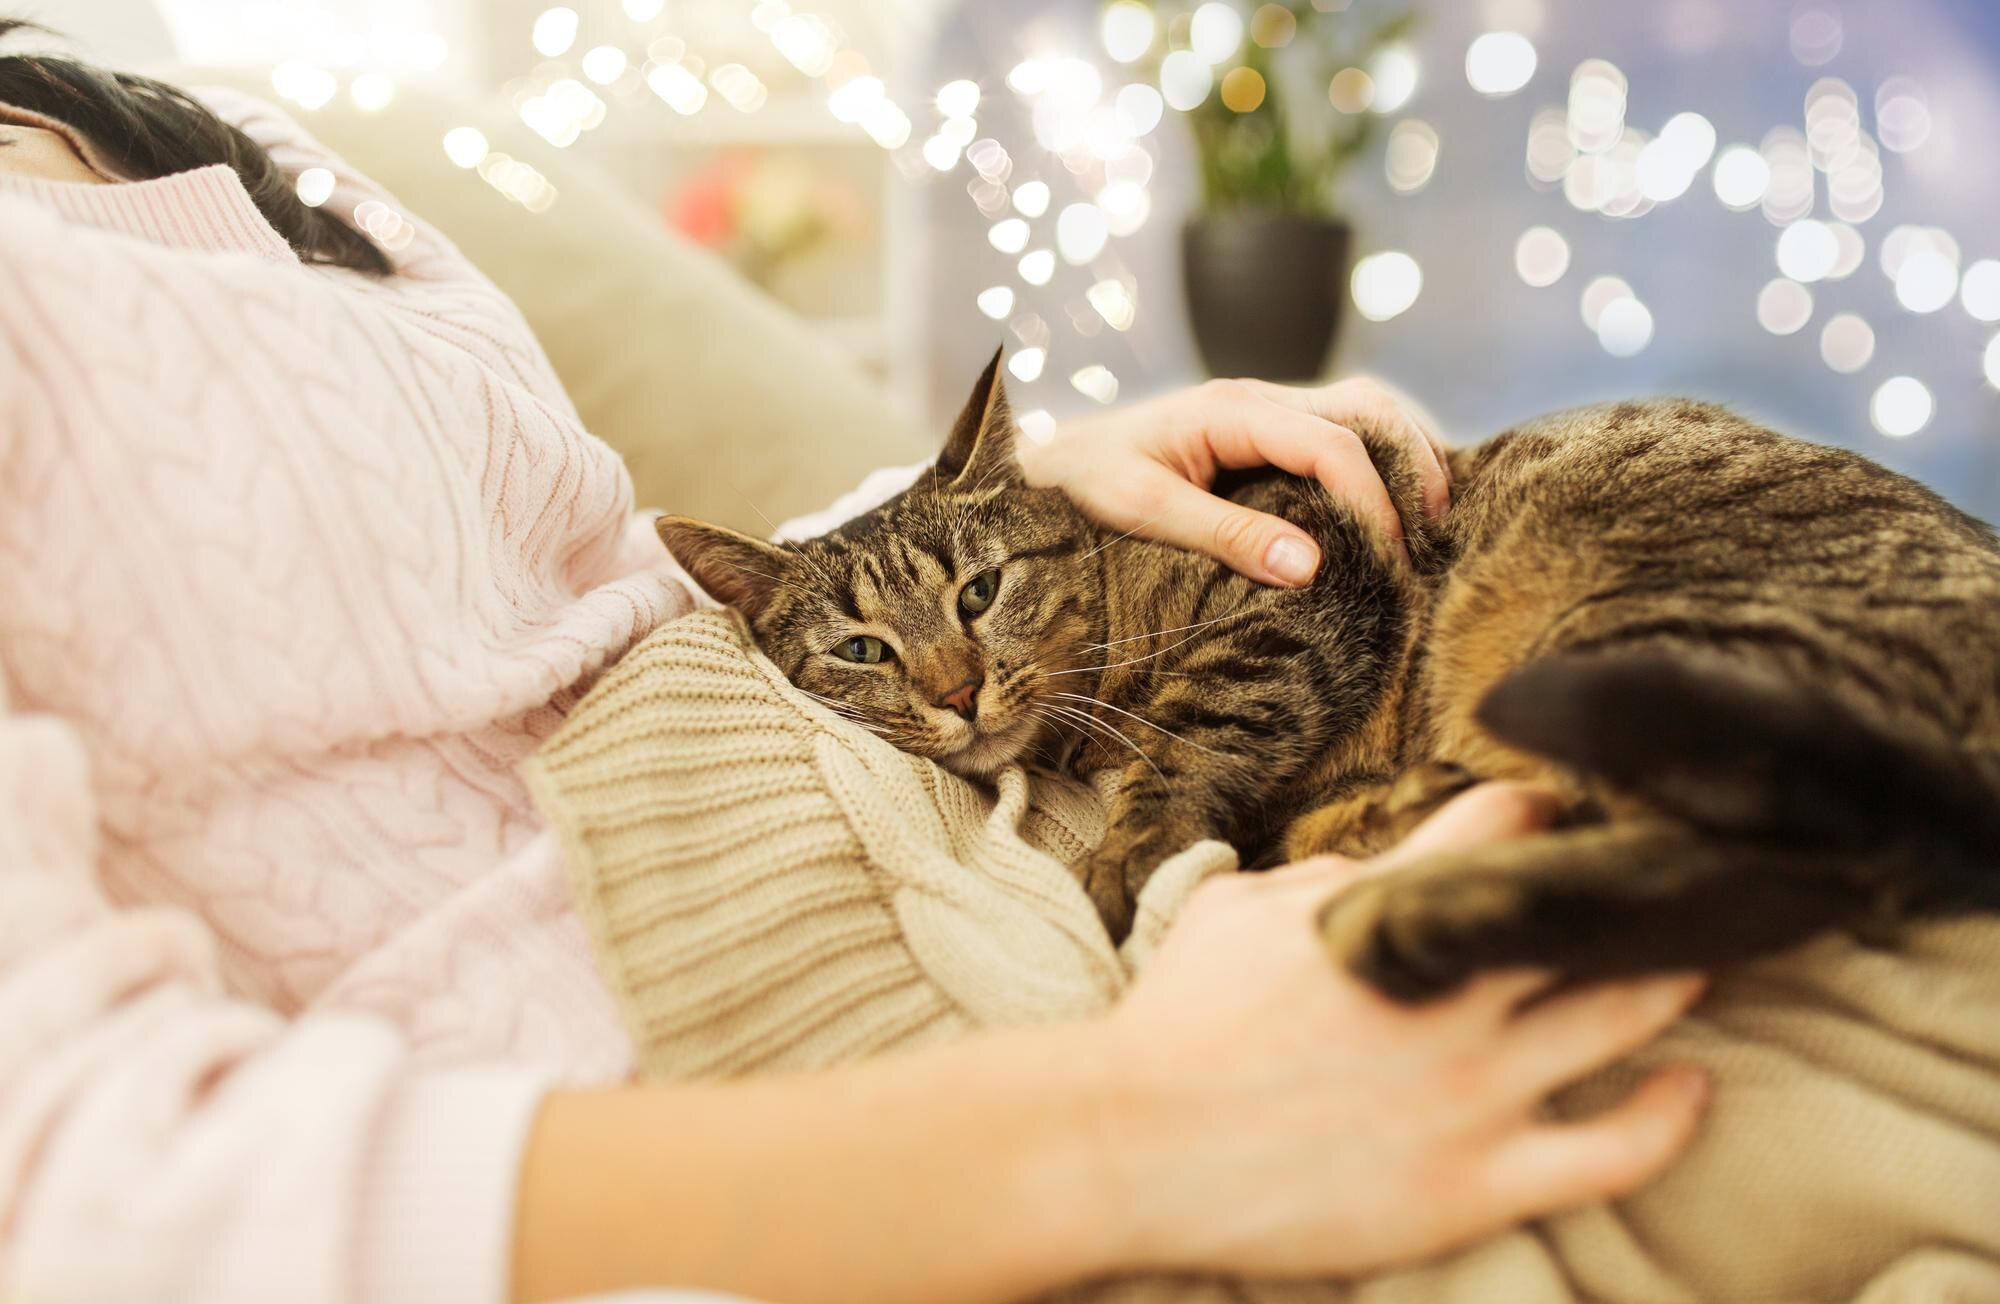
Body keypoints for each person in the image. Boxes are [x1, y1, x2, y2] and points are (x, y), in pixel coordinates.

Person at [0, 30, 1708, 1304]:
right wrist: (1145, 1125)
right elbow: (74, 1198)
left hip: (960, 868)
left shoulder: (186, 127)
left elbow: (573, 607)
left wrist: (1042, 497)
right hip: (834, 1124)